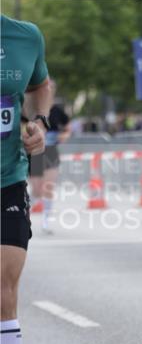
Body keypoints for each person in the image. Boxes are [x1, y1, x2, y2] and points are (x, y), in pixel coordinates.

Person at [1, 13, 51, 344]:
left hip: (7, 180)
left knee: (4, 286)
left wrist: (39, 123)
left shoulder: (24, 35)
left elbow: (40, 84)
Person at [28, 80, 71, 234]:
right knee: (37, 190)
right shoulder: (32, 109)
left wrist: (64, 135)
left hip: (51, 152)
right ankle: (24, 215)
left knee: (48, 188)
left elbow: (67, 128)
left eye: (50, 89)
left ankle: (46, 222)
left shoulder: (57, 111)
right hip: (35, 153)